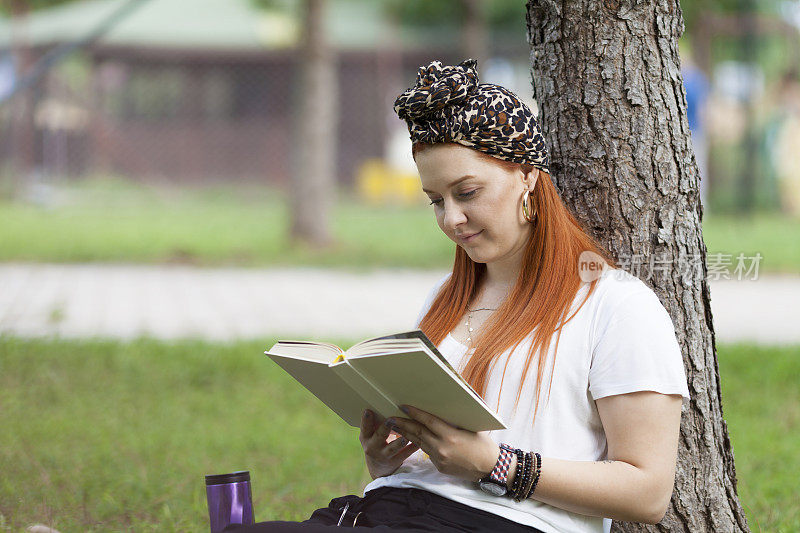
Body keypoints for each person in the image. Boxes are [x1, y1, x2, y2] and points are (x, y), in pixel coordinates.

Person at [229, 59, 690, 532]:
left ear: (526, 175)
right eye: (435, 200)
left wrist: (495, 464)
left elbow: (648, 492)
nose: (451, 219)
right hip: (386, 511)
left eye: (467, 192)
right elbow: (431, 466)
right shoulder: (444, 298)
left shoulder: (617, 308)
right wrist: (386, 459)